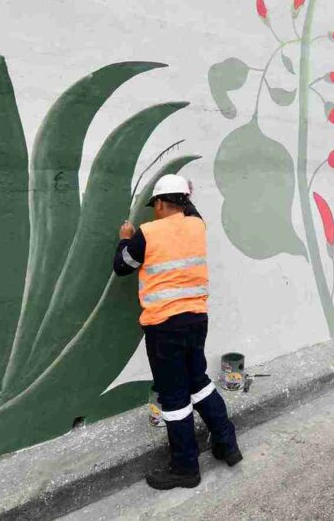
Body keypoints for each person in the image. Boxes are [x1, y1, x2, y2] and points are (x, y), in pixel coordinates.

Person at [112, 174, 241, 490]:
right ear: (185, 200)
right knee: (199, 382)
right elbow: (188, 210)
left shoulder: (146, 233)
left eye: (155, 204)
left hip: (164, 326)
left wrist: (125, 238)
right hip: (197, 320)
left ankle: (185, 468)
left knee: (174, 397)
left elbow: (122, 265)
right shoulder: (197, 226)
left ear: (158, 202)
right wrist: (184, 193)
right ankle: (227, 444)